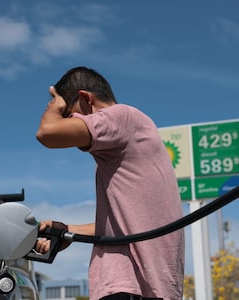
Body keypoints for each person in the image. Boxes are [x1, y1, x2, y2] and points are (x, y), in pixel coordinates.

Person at [36, 66, 184, 300]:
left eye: (70, 116)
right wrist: (70, 231)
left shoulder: (121, 116)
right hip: (150, 288)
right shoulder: (133, 137)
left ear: (86, 99)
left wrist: (54, 108)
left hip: (129, 286)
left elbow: (48, 133)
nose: (70, 125)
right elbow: (131, 225)